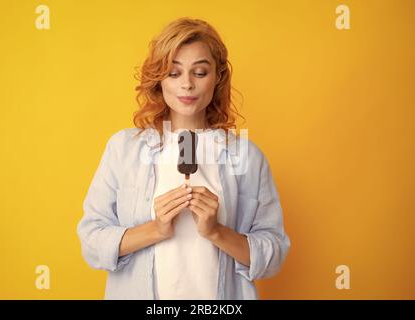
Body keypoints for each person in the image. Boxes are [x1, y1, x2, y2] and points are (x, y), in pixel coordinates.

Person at [77, 17, 290, 300]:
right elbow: (92, 243)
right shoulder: (123, 148)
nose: (187, 85)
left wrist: (215, 231)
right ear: (159, 79)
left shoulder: (248, 157)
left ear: (218, 78)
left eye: (200, 72)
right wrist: (156, 229)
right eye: (174, 73)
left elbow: (273, 254)